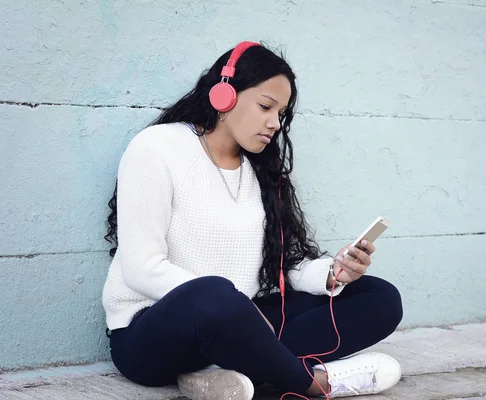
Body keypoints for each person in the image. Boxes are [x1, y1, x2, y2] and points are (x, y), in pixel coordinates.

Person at [101, 41, 403, 400]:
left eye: (281, 113)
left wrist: (333, 273)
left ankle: (224, 376)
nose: (274, 123)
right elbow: (141, 268)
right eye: (265, 106)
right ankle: (313, 384)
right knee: (214, 295)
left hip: (238, 321)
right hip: (151, 335)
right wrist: (234, 307)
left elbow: (281, 267)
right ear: (224, 95)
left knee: (380, 296)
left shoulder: (261, 170)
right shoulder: (156, 148)